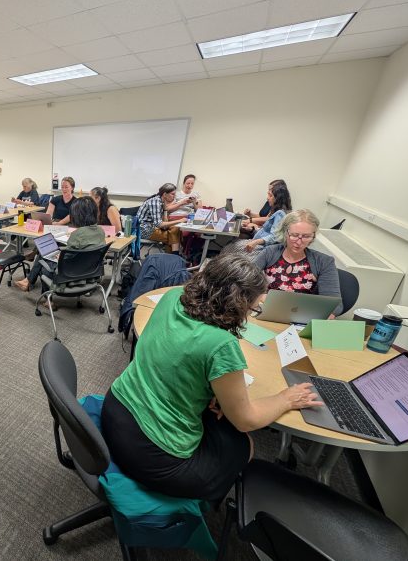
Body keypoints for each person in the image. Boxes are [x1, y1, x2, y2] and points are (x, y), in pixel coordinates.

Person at [100, 253, 322, 502]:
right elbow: (246, 420)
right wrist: (286, 399)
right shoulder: (221, 345)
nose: (250, 315)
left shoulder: (173, 297)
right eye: (254, 308)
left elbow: (174, 354)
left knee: (221, 419)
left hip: (116, 408)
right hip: (154, 454)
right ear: (239, 303)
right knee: (243, 444)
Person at [14, 197, 106, 307]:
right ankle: (28, 282)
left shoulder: (77, 234)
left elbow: (68, 260)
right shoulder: (100, 231)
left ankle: (46, 298)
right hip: (90, 273)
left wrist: (59, 256)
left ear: (78, 215)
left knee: (44, 259)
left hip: (71, 275)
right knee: (46, 254)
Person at [253, 209, 342, 317]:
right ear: (285, 233)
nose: (299, 242)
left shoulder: (324, 262)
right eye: (294, 235)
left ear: (313, 236)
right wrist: (261, 296)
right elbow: (244, 282)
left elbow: (335, 306)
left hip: (301, 317)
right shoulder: (270, 252)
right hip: (266, 312)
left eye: (306, 236)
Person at [239, 181, 292, 253]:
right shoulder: (275, 209)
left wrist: (256, 242)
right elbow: (266, 230)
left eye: (270, 195)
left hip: (262, 248)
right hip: (258, 242)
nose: (267, 198)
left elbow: (275, 237)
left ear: (278, 198)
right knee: (232, 244)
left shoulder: (280, 214)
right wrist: (253, 229)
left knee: (232, 246)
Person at [136, 183, 183, 254]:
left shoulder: (161, 201)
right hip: (143, 230)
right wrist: (179, 221)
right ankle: (174, 256)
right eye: (172, 194)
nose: (174, 196)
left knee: (175, 229)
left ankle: (172, 257)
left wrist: (165, 209)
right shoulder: (155, 202)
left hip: (152, 227)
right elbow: (159, 224)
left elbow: (164, 223)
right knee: (173, 237)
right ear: (165, 194)